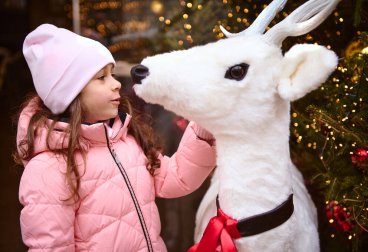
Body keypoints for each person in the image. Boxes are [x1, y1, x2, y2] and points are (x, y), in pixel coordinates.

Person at [14, 24, 216, 252]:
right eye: (101, 78)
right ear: (71, 95)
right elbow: (52, 247)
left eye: (112, 74)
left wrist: (205, 127)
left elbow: (176, 177)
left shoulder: (126, 140)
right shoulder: (50, 169)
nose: (116, 83)